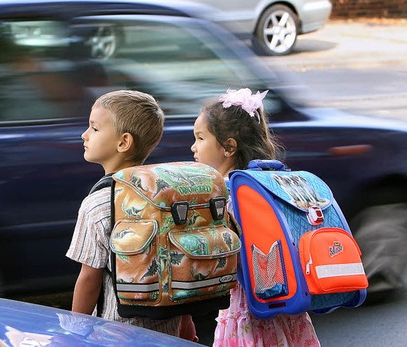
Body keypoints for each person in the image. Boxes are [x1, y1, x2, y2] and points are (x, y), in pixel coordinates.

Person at [191, 87, 321, 347]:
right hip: (286, 305)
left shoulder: (225, 195)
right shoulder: (270, 181)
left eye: (200, 138)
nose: (193, 147)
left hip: (247, 309)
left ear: (228, 147)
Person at [66, 89, 195, 339]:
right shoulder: (168, 197)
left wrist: (73, 333)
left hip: (112, 334)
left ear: (123, 142)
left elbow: (89, 279)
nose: (84, 135)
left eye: (94, 128)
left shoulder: (99, 205)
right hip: (164, 333)